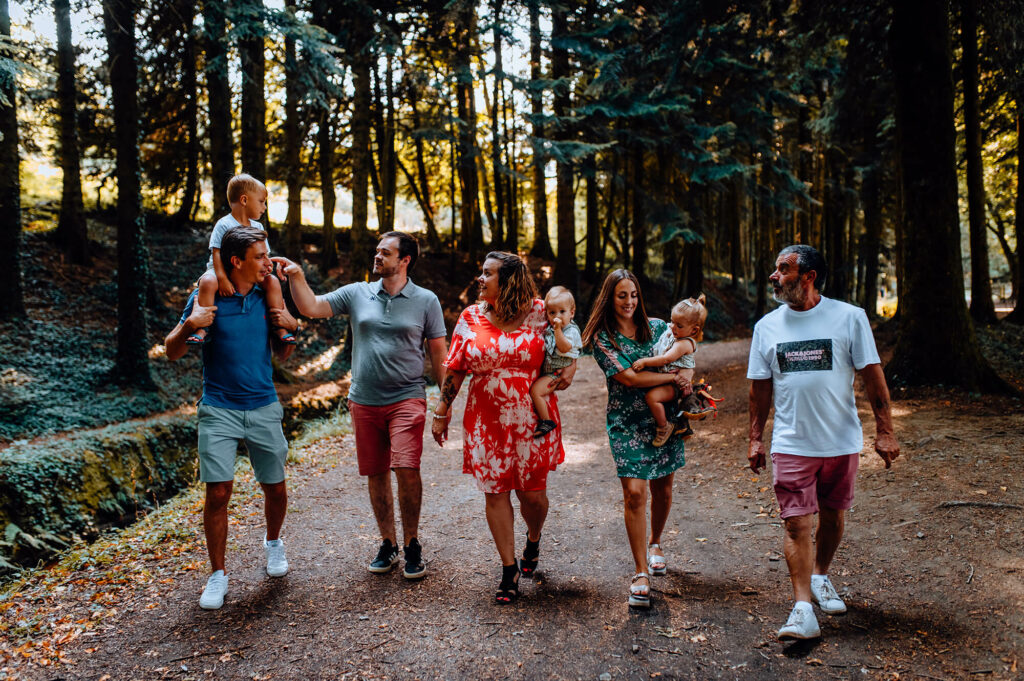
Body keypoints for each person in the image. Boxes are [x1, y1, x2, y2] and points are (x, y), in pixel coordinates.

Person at [747, 244, 900, 641]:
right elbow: (759, 389)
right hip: (791, 441)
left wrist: (885, 430)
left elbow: (872, 376)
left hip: (840, 442)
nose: (774, 276)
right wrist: (755, 439)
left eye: (783, 269)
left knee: (833, 517)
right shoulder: (766, 327)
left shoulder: (849, 318)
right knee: (797, 524)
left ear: (808, 275)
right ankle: (802, 610)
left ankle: (820, 577)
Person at [273, 232, 447, 580]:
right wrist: (296, 276)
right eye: (377, 251)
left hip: (408, 398)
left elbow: (439, 355)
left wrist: (445, 403)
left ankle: (412, 544)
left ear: (405, 260)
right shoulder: (357, 292)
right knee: (376, 472)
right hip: (364, 400)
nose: (377, 256)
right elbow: (311, 307)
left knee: (406, 468)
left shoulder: (426, 300)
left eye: (386, 252)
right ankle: (389, 543)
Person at [165, 226, 299, 610]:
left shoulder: (267, 293)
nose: (267, 262)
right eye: (260, 256)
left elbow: (283, 354)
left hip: (262, 404)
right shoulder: (206, 294)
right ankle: (218, 575)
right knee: (218, 491)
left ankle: (273, 543)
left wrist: (291, 326)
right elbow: (172, 351)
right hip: (218, 407)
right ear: (236, 261)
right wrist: (189, 324)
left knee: (274, 485)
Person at [431, 252, 575, 604]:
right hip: (485, 419)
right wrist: (442, 409)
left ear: (508, 281)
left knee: (532, 494)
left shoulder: (542, 313)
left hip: (533, 419)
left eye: (487, 274)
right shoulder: (470, 317)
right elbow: (456, 367)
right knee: (495, 492)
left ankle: (534, 537)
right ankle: (508, 569)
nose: (480, 279)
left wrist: (566, 372)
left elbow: (570, 341)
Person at [582, 270, 690, 608]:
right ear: (609, 299)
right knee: (634, 493)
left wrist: (684, 375)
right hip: (626, 423)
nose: (629, 302)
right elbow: (628, 378)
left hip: (664, 419)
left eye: (633, 295)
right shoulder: (602, 338)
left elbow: (688, 353)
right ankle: (640, 571)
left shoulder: (659, 328)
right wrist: (671, 375)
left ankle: (656, 542)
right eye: (621, 296)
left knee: (664, 488)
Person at [186, 174, 294, 346]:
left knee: (272, 282)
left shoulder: (257, 227)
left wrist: (273, 266)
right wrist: (222, 278)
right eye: (261, 202)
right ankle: (202, 327)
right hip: (220, 268)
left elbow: (264, 255)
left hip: (249, 272)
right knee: (207, 282)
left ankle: (279, 325)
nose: (264, 207)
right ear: (244, 200)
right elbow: (216, 254)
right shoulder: (224, 224)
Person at [630, 294, 719, 445]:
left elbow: (666, 359)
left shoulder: (684, 343)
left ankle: (664, 427)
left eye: (679, 325)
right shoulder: (676, 332)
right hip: (667, 379)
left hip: (675, 384)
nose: (672, 327)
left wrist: (644, 362)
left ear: (694, 330)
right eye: (672, 321)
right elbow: (660, 324)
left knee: (652, 397)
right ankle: (682, 425)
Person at [530, 285, 582, 438]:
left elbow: (565, 347)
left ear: (572, 313)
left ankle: (546, 421)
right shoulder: (551, 328)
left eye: (562, 312)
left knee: (536, 392)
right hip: (549, 369)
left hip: (556, 371)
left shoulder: (570, 331)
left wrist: (558, 329)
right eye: (552, 312)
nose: (556, 316)